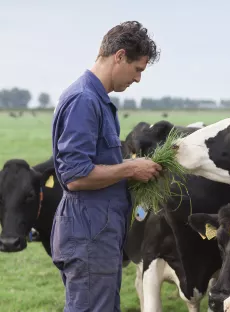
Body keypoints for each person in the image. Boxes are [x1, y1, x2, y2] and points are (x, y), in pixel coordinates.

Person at [50, 21, 162, 311]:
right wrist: (129, 169)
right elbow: (74, 175)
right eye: (138, 69)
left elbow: (92, 164)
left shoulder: (98, 100)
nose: (138, 79)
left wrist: (128, 165)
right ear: (120, 56)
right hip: (89, 233)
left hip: (97, 232)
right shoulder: (84, 100)